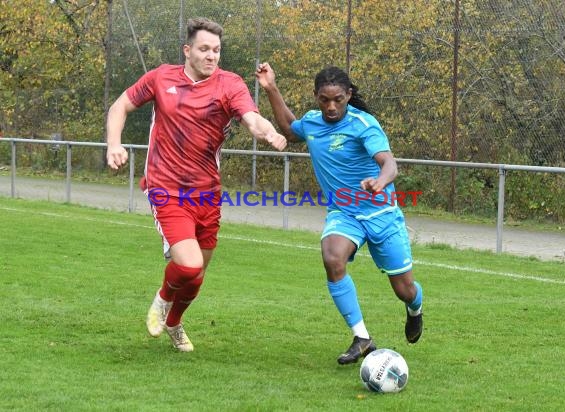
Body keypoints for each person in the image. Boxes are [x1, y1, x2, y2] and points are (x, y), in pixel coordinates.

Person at [106, 18, 287, 352]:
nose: (211, 56)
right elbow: (121, 106)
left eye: (216, 50)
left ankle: (174, 323)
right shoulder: (161, 78)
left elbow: (251, 118)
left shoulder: (229, 84)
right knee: (188, 266)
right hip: (166, 188)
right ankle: (161, 302)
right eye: (204, 49)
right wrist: (114, 143)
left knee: (198, 273)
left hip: (207, 193)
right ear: (187, 51)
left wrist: (268, 131)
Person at [256, 63, 423, 364]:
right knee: (332, 257)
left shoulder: (363, 124)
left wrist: (379, 182)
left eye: (338, 100)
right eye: (324, 100)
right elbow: (290, 130)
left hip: (381, 212)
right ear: (316, 97)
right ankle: (362, 338)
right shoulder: (312, 123)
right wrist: (270, 88)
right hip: (344, 213)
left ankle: (415, 309)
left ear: (348, 95)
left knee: (405, 290)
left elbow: (390, 164)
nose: (331, 107)